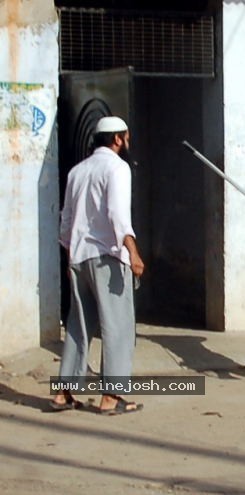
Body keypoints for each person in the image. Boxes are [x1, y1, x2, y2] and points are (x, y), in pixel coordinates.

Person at [51, 116, 145, 415]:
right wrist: (134, 252)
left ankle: (64, 393)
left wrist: (69, 259)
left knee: (79, 326)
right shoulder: (117, 168)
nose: (127, 142)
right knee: (118, 327)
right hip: (108, 257)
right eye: (126, 137)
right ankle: (111, 397)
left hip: (79, 257)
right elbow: (118, 215)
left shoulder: (78, 171)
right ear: (117, 139)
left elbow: (65, 221)